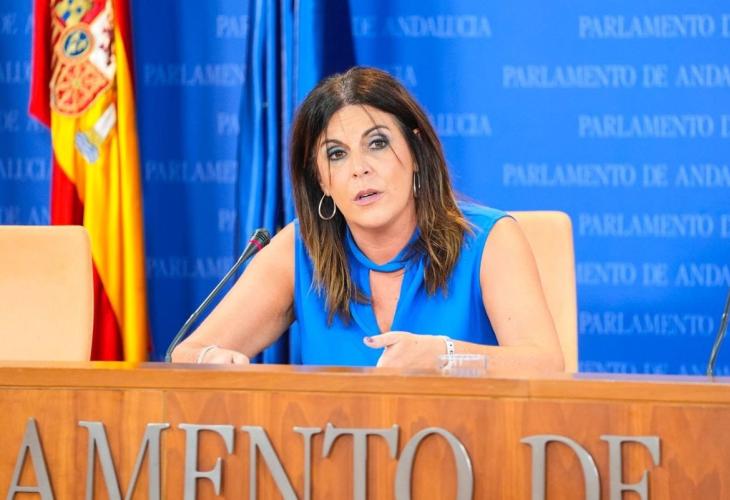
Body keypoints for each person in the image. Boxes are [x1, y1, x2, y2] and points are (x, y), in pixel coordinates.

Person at [171, 66, 564, 372]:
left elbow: (545, 364)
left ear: (416, 152)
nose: (359, 168)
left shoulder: (487, 240)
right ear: (321, 180)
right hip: (337, 451)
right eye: (336, 154)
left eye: (377, 143)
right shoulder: (299, 251)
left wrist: (446, 358)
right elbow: (188, 352)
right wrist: (211, 360)